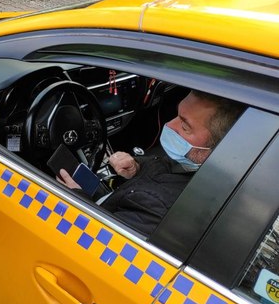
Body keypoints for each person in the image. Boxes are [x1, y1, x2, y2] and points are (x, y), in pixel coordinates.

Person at [58, 90, 245, 235]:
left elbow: (93, 241)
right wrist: (137, 168)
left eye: (185, 126)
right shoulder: (201, 169)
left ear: (219, 150)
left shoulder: (159, 210)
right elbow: (168, 168)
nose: (170, 125)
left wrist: (74, 200)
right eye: (177, 115)